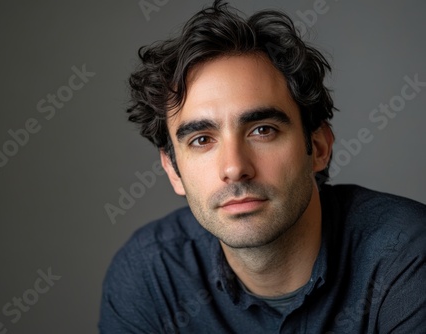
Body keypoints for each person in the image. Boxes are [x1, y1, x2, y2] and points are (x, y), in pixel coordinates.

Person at [99, 1, 426, 333]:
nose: (235, 168)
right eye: (201, 140)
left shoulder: (406, 256)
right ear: (172, 170)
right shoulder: (151, 273)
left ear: (318, 148)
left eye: (262, 130)